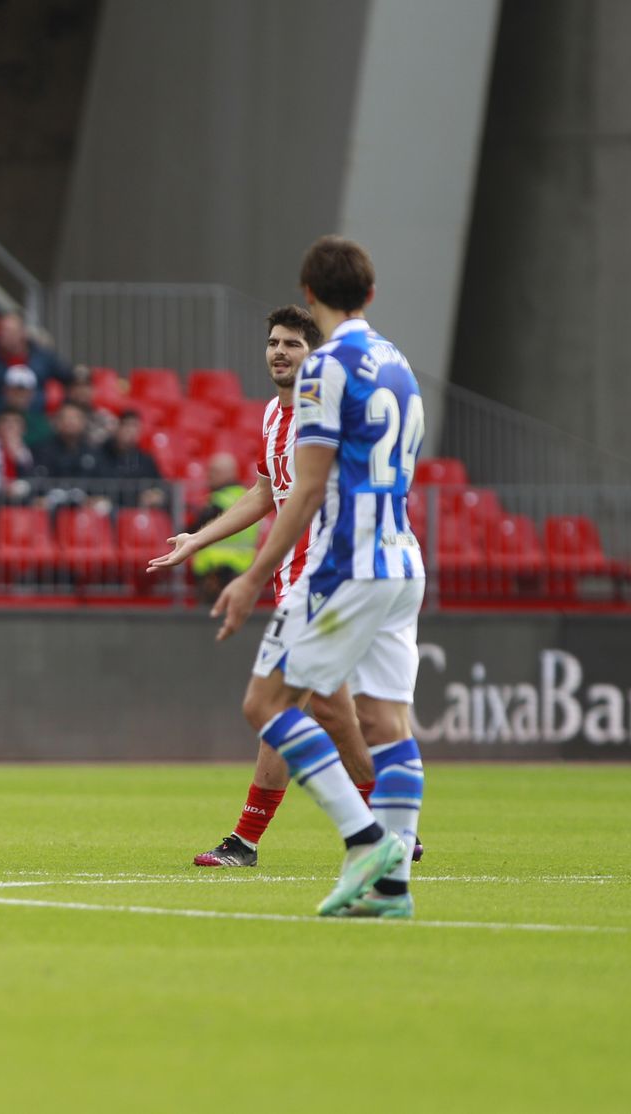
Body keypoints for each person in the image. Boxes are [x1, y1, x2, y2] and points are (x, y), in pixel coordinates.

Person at [202, 238, 426, 919]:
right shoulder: (398, 364)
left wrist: (252, 577)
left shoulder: (327, 367)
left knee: (266, 706)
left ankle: (366, 841)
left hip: (345, 564)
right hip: (402, 559)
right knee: (385, 720)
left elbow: (305, 490)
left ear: (309, 292)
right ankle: (391, 890)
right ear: (372, 293)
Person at [150, 303, 404, 869]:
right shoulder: (272, 416)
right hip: (297, 583)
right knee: (296, 711)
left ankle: (376, 828)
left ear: (314, 354)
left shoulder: (331, 415)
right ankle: (269, 838)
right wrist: (199, 539)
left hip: (329, 578)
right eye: (273, 343)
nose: (279, 353)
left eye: (292, 344)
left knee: (299, 709)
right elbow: (266, 493)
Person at [187, 452, 258, 605]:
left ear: (229, 473)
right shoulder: (248, 497)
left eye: (214, 471)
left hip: (215, 571)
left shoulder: (218, 501)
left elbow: (193, 530)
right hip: (244, 567)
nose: (209, 475)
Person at [0, 312, 70, 423]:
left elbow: (70, 380)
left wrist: (59, 416)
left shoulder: (43, 357)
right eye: (0, 330)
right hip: (3, 424)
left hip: (39, 423)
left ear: (22, 333)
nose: (2, 335)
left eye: (8, 331)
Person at [95, 410, 167, 509]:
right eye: (127, 425)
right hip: (108, 510)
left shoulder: (145, 460)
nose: (130, 430)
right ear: (118, 427)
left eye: (135, 426)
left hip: (137, 511)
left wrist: (154, 495)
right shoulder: (101, 455)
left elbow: (159, 486)